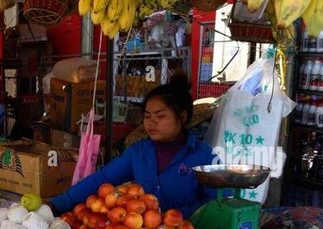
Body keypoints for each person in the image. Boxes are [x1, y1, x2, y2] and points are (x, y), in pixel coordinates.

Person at [49, 74, 218, 218]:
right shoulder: (139, 153)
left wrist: (177, 216)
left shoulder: (204, 155)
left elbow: (217, 202)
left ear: (181, 117)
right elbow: (102, 179)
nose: (151, 122)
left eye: (160, 116)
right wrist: (58, 204)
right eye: (147, 116)